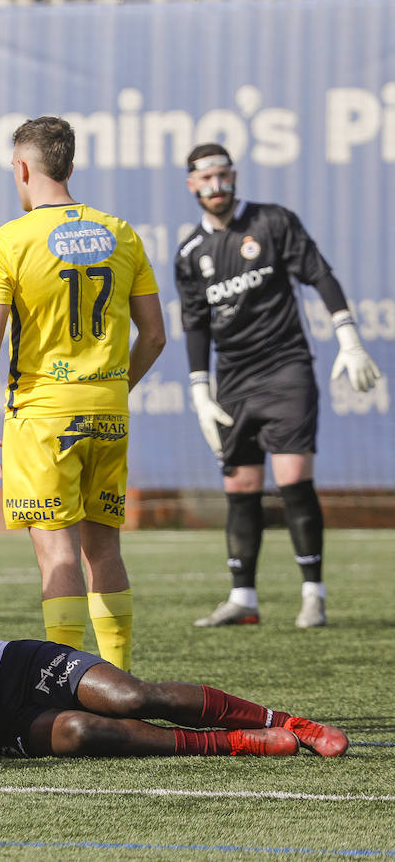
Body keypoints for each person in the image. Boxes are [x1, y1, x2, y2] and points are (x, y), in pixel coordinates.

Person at [0, 116, 166, 672]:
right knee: (105, 548)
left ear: (23, 168)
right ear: (70, 166)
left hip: (44, 414)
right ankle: (119, 676)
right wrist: (116, 384)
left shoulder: (8, 240)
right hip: (108, 409)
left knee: (56, 551)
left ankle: (76, 684)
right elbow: (155, 336)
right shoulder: (121, 232)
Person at [174, 143, 382, 630]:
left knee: (292, 480)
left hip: (286, 369)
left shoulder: (272, 222)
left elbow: (319, 274)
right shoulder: (189, 253)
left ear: (234, 176)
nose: (216, 186)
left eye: (223, 175)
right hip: (234, 380)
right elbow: (196, 324)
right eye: (205, 179)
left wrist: (348, 336)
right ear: (192, 186)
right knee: (240, 486)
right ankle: (243, 598)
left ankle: (314, 594)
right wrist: (200, 389)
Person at [0, 625, 348, 760]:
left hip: (18, 667)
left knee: (133, 698)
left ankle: (292, 721)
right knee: (82, 729)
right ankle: (236, 742)